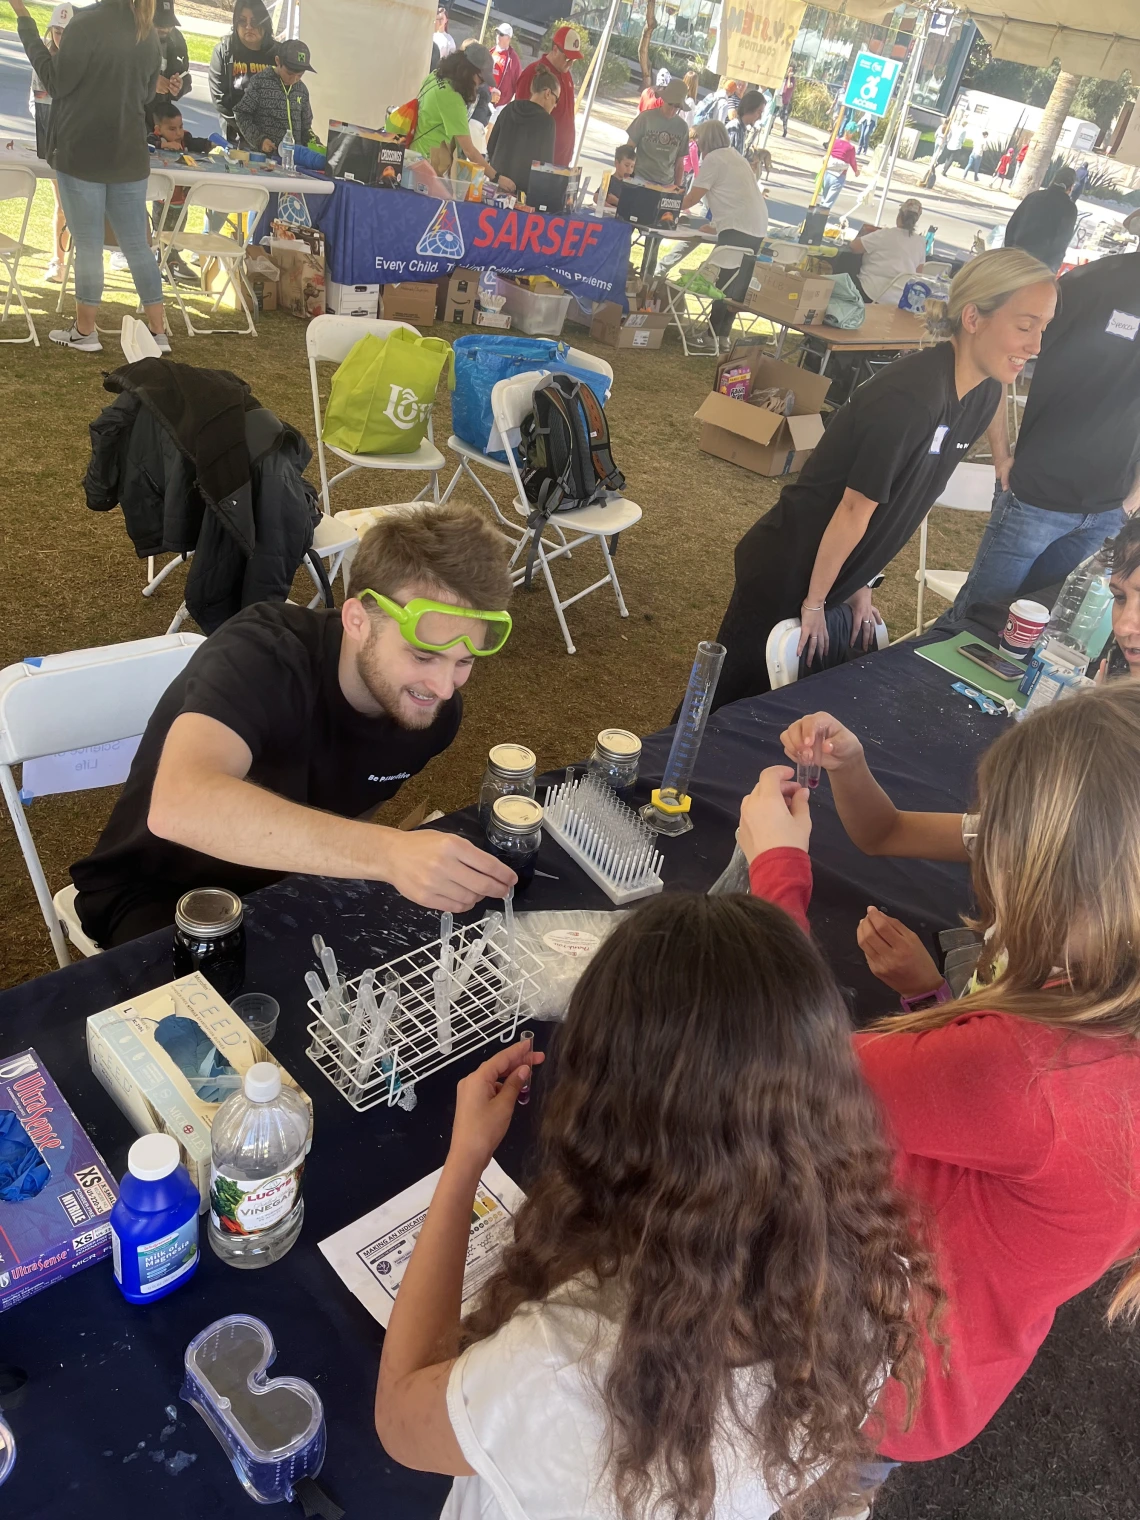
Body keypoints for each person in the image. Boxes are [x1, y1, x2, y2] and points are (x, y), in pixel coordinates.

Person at [373, 892, 941, 1520]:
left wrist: (464, 1164)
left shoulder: (557, 1366)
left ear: (604, 1113)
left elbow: (401, 1419)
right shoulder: (867, 1284)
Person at [747, 683, 1140, 1476]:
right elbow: (994, 1168)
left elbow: (783, 1065)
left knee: (777, 1477)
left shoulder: (1027, 1069)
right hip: (951, 1371)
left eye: (997, 845)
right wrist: (933, 1001)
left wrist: (777, 870)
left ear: (1059, 878)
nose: (983, 861)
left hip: (867, 1376)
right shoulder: (1100, 1010)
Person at [70, 506, 519, 950]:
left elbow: (351, 817)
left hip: (290, 889)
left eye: (464, 662)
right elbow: (179, 806)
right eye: (423, 656)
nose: (443, 687)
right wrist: (387, 852)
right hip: (159, 892)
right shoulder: (263, 652)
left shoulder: (431, 715)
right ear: (357, 621)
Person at [708, 249, 1056, 710]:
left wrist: (860, 583)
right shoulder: (910, 399)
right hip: (788, 568)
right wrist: (814, 602)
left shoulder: (982, 391)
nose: (1036, 346)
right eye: (1025, 325)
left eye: (1044, 328)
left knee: (780, 715)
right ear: (973, 317)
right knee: (723, 705)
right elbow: (854, 510)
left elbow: (904, 500)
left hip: (836, 573)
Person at [936, 249, 1140, 631]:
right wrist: (1000, 453)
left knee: (1038, 632)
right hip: (1037, 494)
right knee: (976, 621)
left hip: (1109, 510)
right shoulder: (1088, 285)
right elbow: (997, 351)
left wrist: (1135, 493)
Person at [14, 0, 169, 355]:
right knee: (136, 246)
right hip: (128, 153)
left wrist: (26, 24)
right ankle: (159, 330)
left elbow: (55, 81)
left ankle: (86, 331)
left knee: (88, 246)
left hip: (81, 150)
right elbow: (146, 95)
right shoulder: (145, 32)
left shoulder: (84, 25)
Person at [681, 119, 768, 343]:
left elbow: (692, 197)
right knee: (735, 286)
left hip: (739, 226)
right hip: (756, 225)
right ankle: (721, 336)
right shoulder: (734, 155)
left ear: (705, 140)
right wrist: (718, 224)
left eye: (699, 138)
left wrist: (664, 203)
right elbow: (734, 195)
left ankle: (712, 335)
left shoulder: (713, 159)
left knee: (723, 283)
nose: (697, 143)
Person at [27, 0, 71, 283]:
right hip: (54, 142)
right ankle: (58, 258)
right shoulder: (45, 59)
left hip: (79, 142)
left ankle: (71, 257)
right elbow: (36, 102)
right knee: (62, 202)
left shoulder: (86, 59)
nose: (60, 36)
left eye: (66, 31)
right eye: (57, 30)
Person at [413, 46, 493, 176]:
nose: (480, 85)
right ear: (469, 71)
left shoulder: (436, 75)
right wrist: (496, 177)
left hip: (415, 152)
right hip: (426, 164)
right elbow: (469, 150)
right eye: (481, 80)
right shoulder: (452, 98)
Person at [208, 0, 276, 146]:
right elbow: (220, 100)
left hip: (272, 137)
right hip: (237, 135)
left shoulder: (277, 54)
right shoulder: (224, 51)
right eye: (242, 21)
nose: (249, 27)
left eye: (255, 21)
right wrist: (249, 131)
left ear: (265, 22)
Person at [514, 25, 582, 167]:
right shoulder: (533, 72)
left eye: (574, 60)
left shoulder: (566, 74)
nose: (570, 64)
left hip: (561, 160)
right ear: (555, 49)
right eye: (567, 58)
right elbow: (519, 116)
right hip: (538, 161)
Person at [486, 68, 558, 199]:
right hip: (523, 197)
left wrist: (499, 176)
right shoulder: (547, 122)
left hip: (496, 187)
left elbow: (491, 146)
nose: (556, 105)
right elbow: (545, 168)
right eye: (556, 98)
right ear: (547, 93)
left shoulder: (509, 108)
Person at [234, 37, 314, 155]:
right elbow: (242, 114)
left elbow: (306, 128)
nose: (294, 79)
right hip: (265, 159)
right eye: (289, 73)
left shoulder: (302, 90)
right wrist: (260, 140)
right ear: (277, 61)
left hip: (293, 161)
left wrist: (314, 143)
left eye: (300, 75)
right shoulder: (260, 82)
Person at [1003, 164, 1078, 271]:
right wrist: (1051, 271)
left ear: (1053, 180)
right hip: (1038, 265)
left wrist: (1008, 251)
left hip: (1015, 255)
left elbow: (1012, 225)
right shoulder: (1069, 208)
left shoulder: (1034, 196)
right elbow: (1061, 242)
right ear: (1071, 188)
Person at [851, 198, 925, 303]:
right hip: (899, 298)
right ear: (916, 220)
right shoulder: (920, 242)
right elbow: (918, 274)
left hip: (870, 292)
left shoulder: (885, 234)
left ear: (899, 216)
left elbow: (854, 247)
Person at [625, 78, 689, 186]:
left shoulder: (682, 127)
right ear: (663, 99)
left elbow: (679, 163)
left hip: (665, 184)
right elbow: (629, 148)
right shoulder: (645, 118)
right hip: (639, 179)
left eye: (677, 107)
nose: (672, 110)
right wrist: (624, 176)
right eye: (670, 104)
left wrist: (676, 190)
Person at [146, 0, 190, 129]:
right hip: (131, 116)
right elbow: (118, 77)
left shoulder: (176, 39)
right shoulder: (133, 37)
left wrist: (179, 86)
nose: (165, 28)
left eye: (169, 23)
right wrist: (151, 83)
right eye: (159, 23)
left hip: (160, 119)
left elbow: (185, 75)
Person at [821, 127, 859, 210]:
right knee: (828, 203)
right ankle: (819, 220)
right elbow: (852, 161)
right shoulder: (851, 148)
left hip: (827, 173)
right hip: (838, 176)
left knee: (823, 200)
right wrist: (856, 171)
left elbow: (829, 153)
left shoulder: (835, 141)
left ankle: (816, 218)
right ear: (852, 134)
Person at [725, 86, 766, 154]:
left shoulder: (741, 129)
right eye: (759, 112)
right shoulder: (735, 129)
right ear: (749, 108)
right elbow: (727, 161)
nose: (760, 117)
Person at [489, 22, 520, 107]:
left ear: (509, 38)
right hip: (486, 98)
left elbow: (518, 84)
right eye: (498, 33)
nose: (498, 36)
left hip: (501, 103)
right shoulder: (491, 52)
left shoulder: (513, 59)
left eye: (501, 34)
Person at [598, 141, 636, 208]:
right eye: (627, 165)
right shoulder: (609, 180)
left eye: (632, 166)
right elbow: (596, 196)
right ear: (617, 163)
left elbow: (631, 206)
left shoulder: (631, 185)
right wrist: (606, 204)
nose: (629, 169)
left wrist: (616, 201)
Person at [778, 67, 794, 135]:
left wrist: (789, 77)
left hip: (785, 101)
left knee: (784, 117)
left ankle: (785, 130)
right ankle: (770, 127)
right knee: (775, 112)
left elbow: (788, 86)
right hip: (779, 98)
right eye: (788, 70)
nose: (789, 71)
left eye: (790, 71)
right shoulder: (784, 78)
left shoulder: (792, 80)